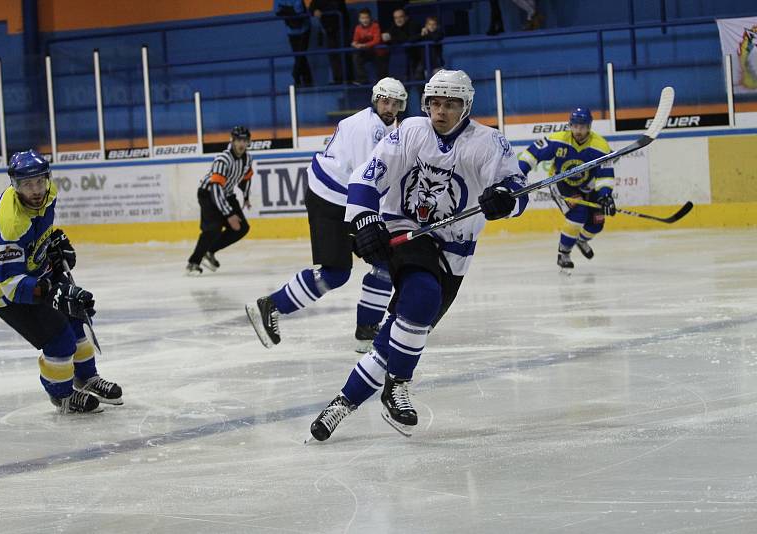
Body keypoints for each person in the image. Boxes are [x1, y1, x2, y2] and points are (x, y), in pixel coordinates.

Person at [307, 70, 529, 441]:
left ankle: (343, 403)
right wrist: (365, 220)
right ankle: (398, 386)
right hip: (406, 230)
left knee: (398, 334)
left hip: (454, 251)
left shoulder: (489, 143)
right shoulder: (411, 131)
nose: (440, 111)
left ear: (466, 106)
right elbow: (367, 176)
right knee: (422, 295)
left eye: (451, 104)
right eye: (435, 103)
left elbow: (520, 192)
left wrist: (504, 199)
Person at [246, 78, 408, 353]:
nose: (389, 107)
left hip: (346, 199)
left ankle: (366, 330)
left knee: (384, 261)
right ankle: (271, 305)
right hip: (330, 199)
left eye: (395, 103)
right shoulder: (364, 128)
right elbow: (364, 179)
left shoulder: (387, 126)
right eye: (385, 101)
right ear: (375, 99)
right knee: (335, 273)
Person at [0, 149, 122, 414]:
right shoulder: (7, 225)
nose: (36, 190)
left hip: (36, 272)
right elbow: (11, 284)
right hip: (4, 291)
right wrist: (52, 292)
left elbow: (38, 231)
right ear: (15, 185)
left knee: (76, 317)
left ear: (47, 178)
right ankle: (62, 395)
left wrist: (52, 242)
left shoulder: (49, 194)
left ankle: (86, 377)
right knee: (59, 339)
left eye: (39, 181)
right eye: (27, 184)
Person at [517, 107, 616, 271]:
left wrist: (605, 195)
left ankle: (581, 240)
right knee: (578, 216)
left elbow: (605, 174)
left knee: (597, 222)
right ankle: (564, 253)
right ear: (570, 125)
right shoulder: (558, 139)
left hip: (588, 186)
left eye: (582, 126)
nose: (578, 130)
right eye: (575, 126)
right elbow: (532, 154)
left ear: (589, 126)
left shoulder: (600, 147)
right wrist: (519, 174)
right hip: (562, 184)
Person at [186, 126, 254, 275]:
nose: (241, 144)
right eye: (238, 140)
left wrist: (246, 196)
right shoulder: (223, 159)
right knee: (213, 228)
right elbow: (215, 188)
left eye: (244, 140)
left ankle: (209, 251)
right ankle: (193, 262)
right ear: (232, 141)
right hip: (208, 193)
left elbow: (246, 178)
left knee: (242, 228)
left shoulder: (248, 159)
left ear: (248, 142)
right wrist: (229, 214)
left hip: (226, 193)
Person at [309, 0, 350, 84]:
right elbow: (312, 7)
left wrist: (322, 11)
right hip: (328, 30)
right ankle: (337, 78)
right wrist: (314, 10)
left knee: (344, 53)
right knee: (333, 54)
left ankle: (348, 78)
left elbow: (337, 6)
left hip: (341, 27)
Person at [275, 0, 314, 87]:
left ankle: (297, 75)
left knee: (300, 55)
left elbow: (298, 12)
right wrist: (290, 11)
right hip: (291, 31)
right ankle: (306, 80)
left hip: (304, 30)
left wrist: (285, 10)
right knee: (299, 56)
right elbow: (277, 11)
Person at [381, 8, 422, 81]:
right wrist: (386, 38)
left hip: (419, 57)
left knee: (419, 77)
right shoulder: (394, 27)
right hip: (404, 60)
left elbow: (409, 39)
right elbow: (388, 38)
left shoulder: (413, 24)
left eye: (401, 17)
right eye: (396, 18)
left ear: (406, 17)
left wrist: (393, 38)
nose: (398, 19)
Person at [351, 8, 389, 84]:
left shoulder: (375, 26)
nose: (365, 20)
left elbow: (376, 40)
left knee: (382, 69)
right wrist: (354, 44)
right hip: (365, 52)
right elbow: (355, 40)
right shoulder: (358, 28)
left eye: (366, 18)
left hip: (377, 52)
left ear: (370, 18)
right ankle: (362, 79)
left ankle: (383, 82)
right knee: (356, 57)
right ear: (359, 19)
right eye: (362, 18)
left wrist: (364, 45)